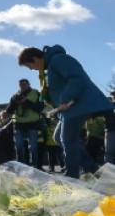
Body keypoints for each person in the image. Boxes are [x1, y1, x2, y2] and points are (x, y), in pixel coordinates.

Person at [18, 45, 111, 179]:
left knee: (67, 139)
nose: (31, 69)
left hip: (79, 106)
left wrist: (65, 99)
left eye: (29, 65)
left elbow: (76, 78)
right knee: (58, 138)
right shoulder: (49, 67)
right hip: (71, 108)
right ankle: (93, 169)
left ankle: (72, 176)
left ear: (34, 58)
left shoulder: (58, 59)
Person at [3, 78, 44, 168]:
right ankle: (21, 167)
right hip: (19, 125)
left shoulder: (36, 93)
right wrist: (14, 102)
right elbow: (10, 110)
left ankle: (35, 167)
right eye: (21, 85)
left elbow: (40, 107)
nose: (23, 86)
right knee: (19, 147)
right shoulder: (15, 96)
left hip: (33, 124)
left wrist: (27, 102)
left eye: (24, 84)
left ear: (28, 84)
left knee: (33, 148)